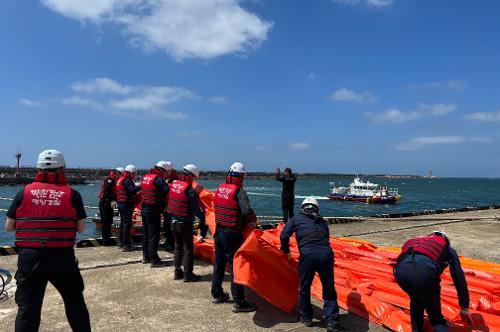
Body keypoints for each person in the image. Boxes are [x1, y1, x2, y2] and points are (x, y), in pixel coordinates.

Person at [4, 149, 91, 332]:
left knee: (28, 309)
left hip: (30, 259)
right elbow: (81, 228)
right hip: (62, 260)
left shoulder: (23, 192)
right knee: (75, 302)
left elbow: (8, 227)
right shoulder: (72, 194)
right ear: (63, 168)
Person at [280, 197, 344, 332]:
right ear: (317, 209)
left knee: (304, 287)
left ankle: (306, 318)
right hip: (326, 255)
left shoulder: (296, 220)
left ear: (302, 209)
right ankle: (332, 322)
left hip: (308, 256)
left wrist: (285, 249)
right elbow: (326, 238)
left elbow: (284, 235)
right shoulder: (322, 222)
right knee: (329, 288)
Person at [393, 231, 472, 332]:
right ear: (445, 239)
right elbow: (458, 277)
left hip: (400, 272)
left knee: (416, 302)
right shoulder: (447, 248)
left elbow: (403, 257)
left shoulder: (414, 241)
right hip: (424, 273)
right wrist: (464, 306)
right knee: (436, 319)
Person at [211, 162, 258, 313]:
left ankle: (217, 294)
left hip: (218, 232)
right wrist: (253, 220)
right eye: (243, 176)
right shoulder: (239, 191)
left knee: (219, 264)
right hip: (232, 234)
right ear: (240, 176)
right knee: (235, 267)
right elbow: (246, 210)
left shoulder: (220, 189)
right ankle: (239, 301)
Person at [166, 164, 206, 282]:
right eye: (194, 178)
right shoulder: (189, 190)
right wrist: (206, 217)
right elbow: (196, 211)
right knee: (188, 249)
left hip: (173, 221)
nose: (194, 180)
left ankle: (177, 272)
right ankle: (188, 275)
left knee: (178, 248)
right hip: (184, 223)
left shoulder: (174, 184)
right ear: (191, 176)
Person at [140, 161, 170, 267]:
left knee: (146, 234)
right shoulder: (158, 179)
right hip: (153, 210)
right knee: (154, 236)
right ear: (162, 170)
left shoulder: (146, 177)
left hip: (144, 209)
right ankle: (154, 260)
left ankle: (146, 256)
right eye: (166, 171)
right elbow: (167, 190)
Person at [116, 164, 141, 252]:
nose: (135, 175)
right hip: (126, 205)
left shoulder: (121, 179)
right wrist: (141, 187)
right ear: (130, 173)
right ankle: (126, 244)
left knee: (123, 224)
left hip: (121, 204)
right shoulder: (127, 181)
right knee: (127, 225)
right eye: (134, 173)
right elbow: (131, 190)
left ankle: (121, 242)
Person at [98, 167, 123, 245]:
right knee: (106, 222)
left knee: (109, 221)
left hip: (109, 203)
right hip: (105, 203)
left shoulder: (113, 179)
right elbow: (106, 191)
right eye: (121, 175)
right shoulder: (110, 179)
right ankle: (105, 241)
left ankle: (107, 239)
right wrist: (113, 199)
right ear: (118, 173)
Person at [162, 163, 177, 251]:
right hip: (166, 206)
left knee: (171, 227)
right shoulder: (166, 178)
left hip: (171, 207)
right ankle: (168, 241)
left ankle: (171, 244)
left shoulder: (174, 180)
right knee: (166, 226)